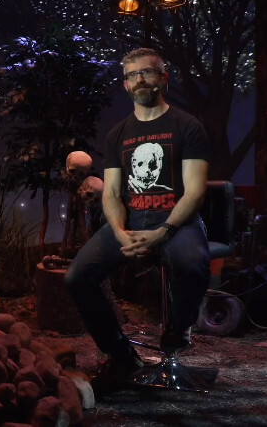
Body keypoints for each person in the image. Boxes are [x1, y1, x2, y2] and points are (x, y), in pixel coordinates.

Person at [64, 47, 211, 388]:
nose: (140, 79)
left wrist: (163, 232)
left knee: (192, 263)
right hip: (130, 221)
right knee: (77, 278)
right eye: (132, 75)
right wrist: (119, 232)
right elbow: (112, 193)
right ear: (126, 85)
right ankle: (122, 356)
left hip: (177, 220)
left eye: (148, 72)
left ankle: (176, 336)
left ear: (164, 78)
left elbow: (194, 192)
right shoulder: (118, 134)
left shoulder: (188, 127)